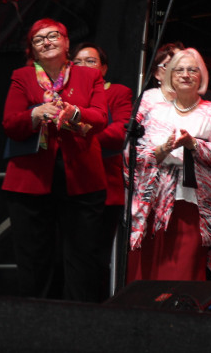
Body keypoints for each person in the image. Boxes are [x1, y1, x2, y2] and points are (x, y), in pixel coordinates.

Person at [1, 19, 108, 302]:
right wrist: (35, 114)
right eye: (39, 39)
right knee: (34, 256)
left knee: (83, 255)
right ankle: (35, 321)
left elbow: (100, 117)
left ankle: (79, 322)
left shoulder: (88, 76)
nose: (47, 42)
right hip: (31, 178)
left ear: (67, 43)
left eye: (53, 36)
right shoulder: (22, 77)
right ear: (32, 50)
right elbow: (10, 123)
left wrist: (74, 113)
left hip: (82, 175)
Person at [128, 48, 211, 280]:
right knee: (151, 272)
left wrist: (193, 144)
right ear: (170, 76)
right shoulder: (155, 111)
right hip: (156, 202)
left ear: (201, 75)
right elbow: (136, 155)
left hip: (194, 203)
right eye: (179, 70)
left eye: (192, 70)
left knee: (184, 272)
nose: (186, 75)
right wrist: (163, 150)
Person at [71, 43, 133, 299]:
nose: (83, 66)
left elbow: (121, 132)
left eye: (91, 61)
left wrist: (85, 135)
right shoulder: (66, 93)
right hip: (69, 182)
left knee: (95, 257)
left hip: (105, 186)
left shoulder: (117, 92)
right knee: (70, 255)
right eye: (77, 61)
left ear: (104, 68)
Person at [136, 42, 185, 121]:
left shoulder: (193, 101)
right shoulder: (148, 98)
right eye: (168, 65)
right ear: (157, 74)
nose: (177, 69)